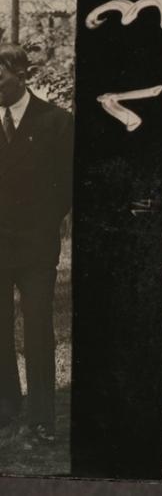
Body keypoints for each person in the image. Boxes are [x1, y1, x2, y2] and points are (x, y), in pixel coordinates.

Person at [0, 46, 73, 444]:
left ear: (22, 74)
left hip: (36, 246)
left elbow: (66, 185)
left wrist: (45, 226)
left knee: (39, 330)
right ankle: (5, 411)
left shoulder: (56, 121)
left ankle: (42, 418)